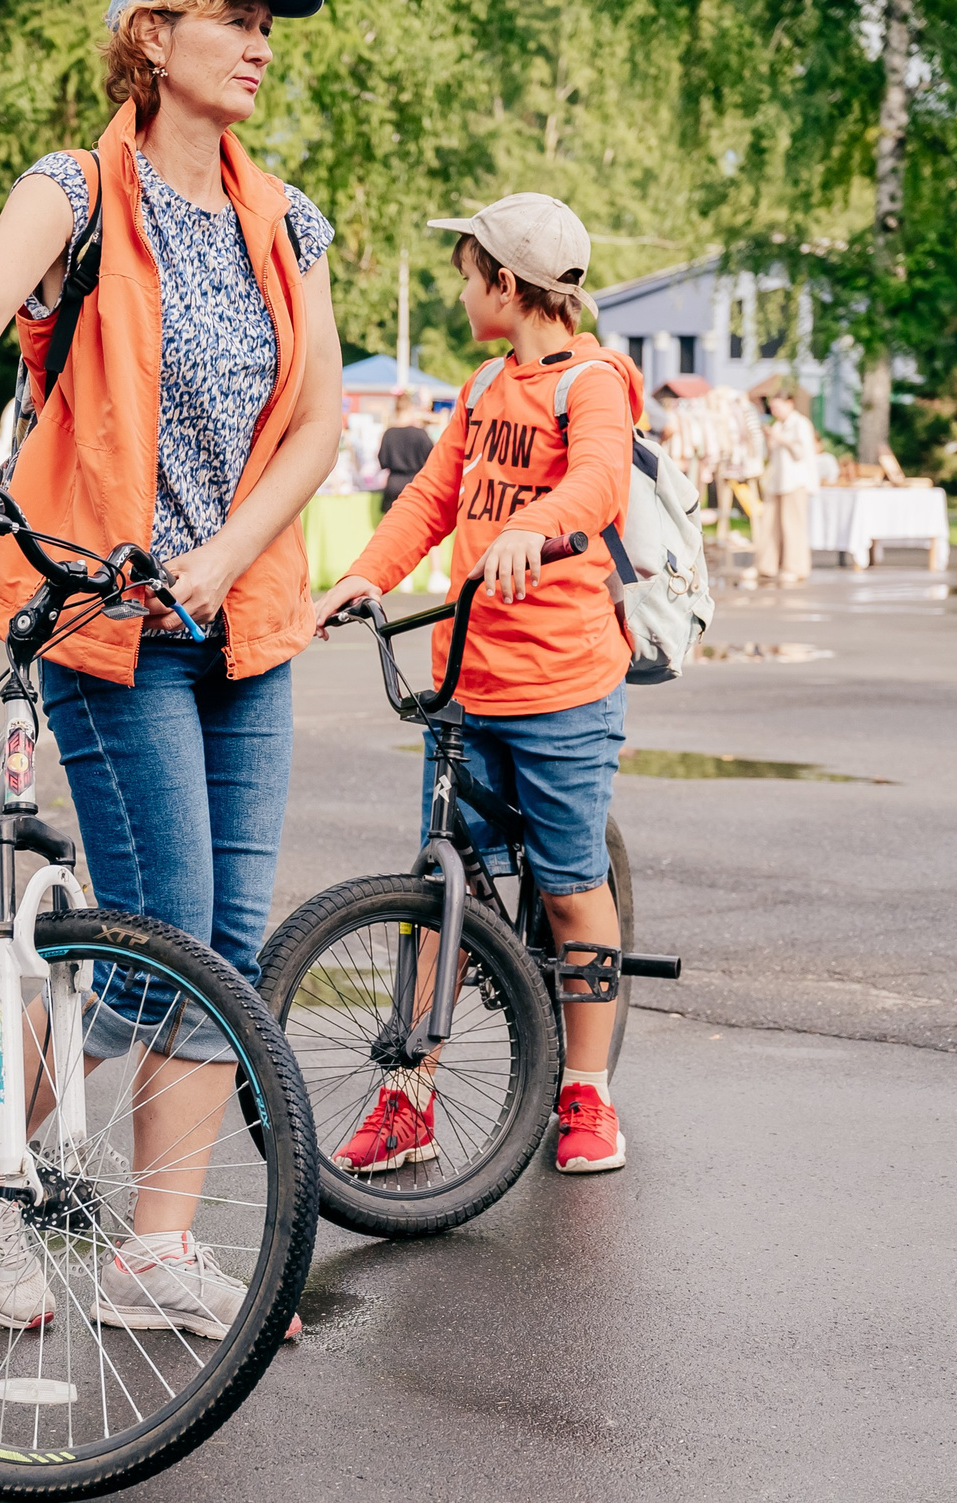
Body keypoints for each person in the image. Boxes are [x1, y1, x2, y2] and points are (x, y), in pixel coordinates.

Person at [0, 0, 345, 1336]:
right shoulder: (79, 189)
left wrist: (228, 554)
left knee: (223, 940)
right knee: (156, 929)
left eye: (267, 22)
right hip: (106, 615)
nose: (257, 41)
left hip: (238, 614)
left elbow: (319, 420)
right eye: (228, 18)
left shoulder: (287, 217)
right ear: (149, 38)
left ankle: (152, 1247)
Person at [313, 191, 640, 1176]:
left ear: (507, 282)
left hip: (563, 683)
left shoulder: (592, 382)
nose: (459, 292)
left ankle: (587, 1093)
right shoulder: (480, 387)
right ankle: (409, 1095)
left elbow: (598, 480)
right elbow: (431, 495)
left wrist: (538, 527)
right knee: (437, 897)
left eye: (465, 275)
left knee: (575, 887)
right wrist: (364, 574)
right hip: (467, 680)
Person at [749, 384, 818, 588]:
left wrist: (781, 439)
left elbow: (802, 453)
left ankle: (796, 568)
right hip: (776, 481)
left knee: (793, 525)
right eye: (773, 408)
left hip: (795, 482)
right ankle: (765, 565)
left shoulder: (800, 424)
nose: (775, 412)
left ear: (790, 404)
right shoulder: (777, 425)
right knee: (769, 525)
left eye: (778, 407)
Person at [376, 390, 435, 516]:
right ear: (411, 409)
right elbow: (434, 459)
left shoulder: (389, 434)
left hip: (393, 485)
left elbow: (382, 461)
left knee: (391, 528)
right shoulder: (420, 434)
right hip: (415, 485)